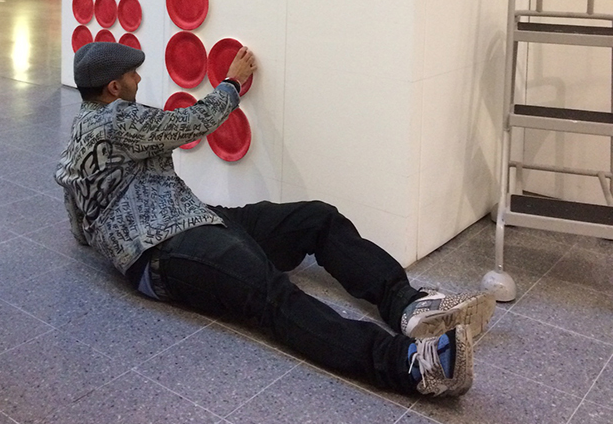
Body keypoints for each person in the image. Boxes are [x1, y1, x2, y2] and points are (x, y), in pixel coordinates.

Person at [55, 41, 495, 398]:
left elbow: (77, 217)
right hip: (165, 250)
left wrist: (100, 233)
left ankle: (407, 303)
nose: (137, 78)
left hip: (196, 219)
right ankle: (410, 365)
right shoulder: (116, 118)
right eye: (131, 74)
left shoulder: (79, 134)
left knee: (316, 220)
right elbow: (190, 123)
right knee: (272, 297)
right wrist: (232, 83)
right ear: (113, 87)